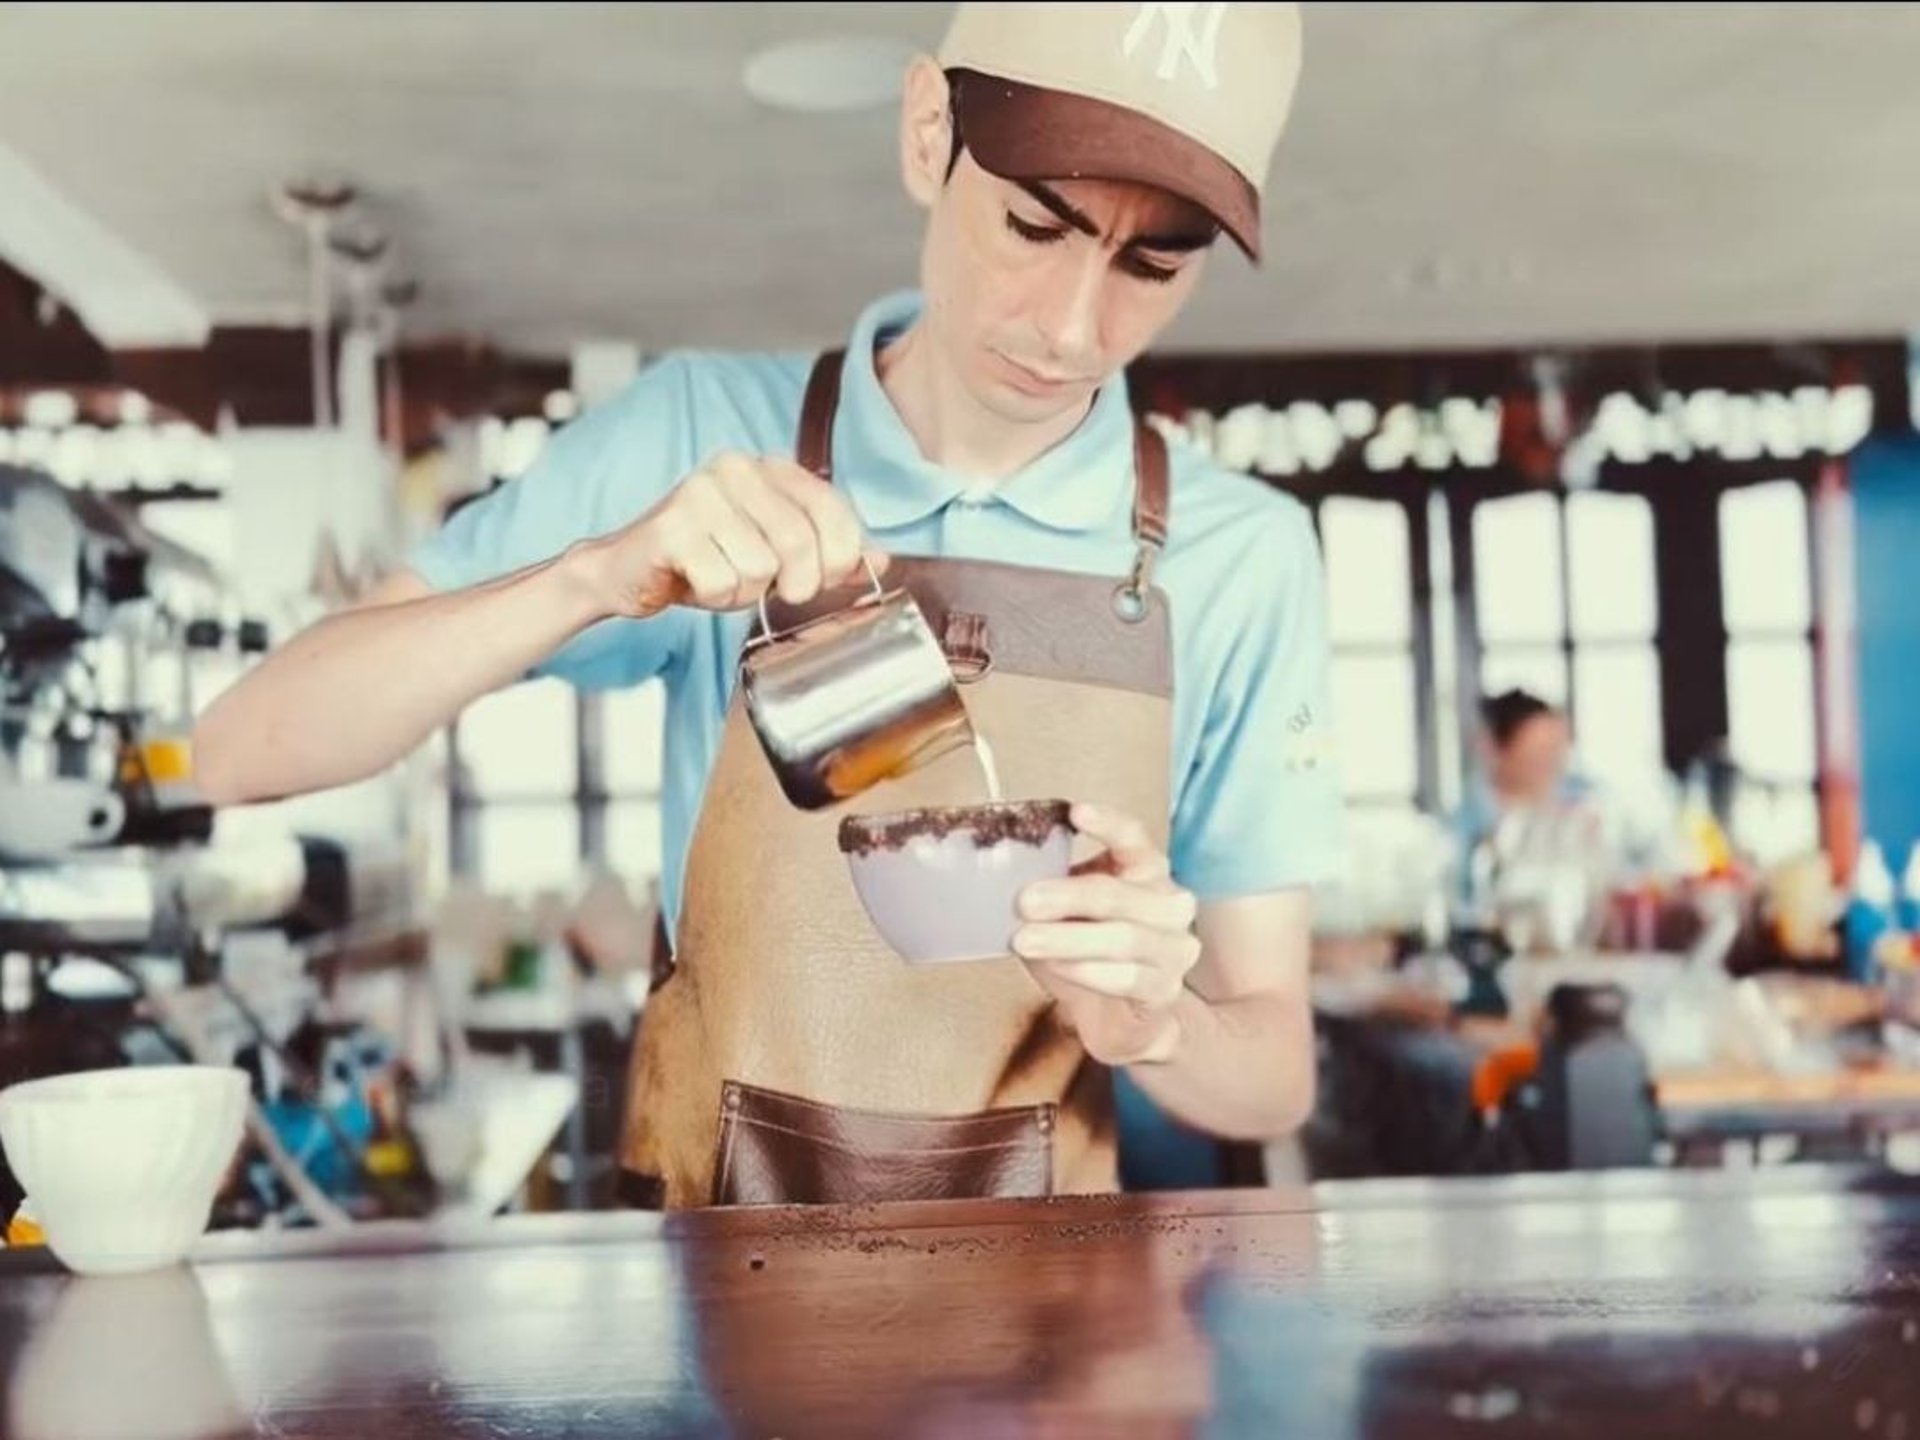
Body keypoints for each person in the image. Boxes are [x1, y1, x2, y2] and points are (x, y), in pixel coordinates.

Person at [193, 1, 1345, 1209]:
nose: (1070, 327)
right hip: (710, 1307)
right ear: (925, 132)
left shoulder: (1243, 557)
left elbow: (1275, 1077)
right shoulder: (700, 436)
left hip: (1054, 1343)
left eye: (1151, 265)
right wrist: (591, 576)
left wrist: (1161, 1026)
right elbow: (239, 749)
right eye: (1030, 222)